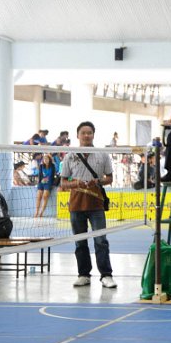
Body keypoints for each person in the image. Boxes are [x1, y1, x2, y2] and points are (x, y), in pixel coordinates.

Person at [60, 121, 116, 288]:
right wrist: (76, 184)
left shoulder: (102, 154)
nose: (86, 135)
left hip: (96, 205)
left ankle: (106, 275)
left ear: (93, 135)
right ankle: (83, 274)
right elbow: (63, 183)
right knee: (80, 242)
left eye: (89, 132)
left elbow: (109, 178)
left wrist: (97, 181)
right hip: (76, 205)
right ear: (77, 135)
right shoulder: (70, 156)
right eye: (83, 132)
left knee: (101, 241)